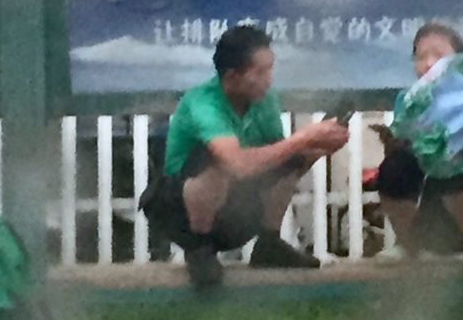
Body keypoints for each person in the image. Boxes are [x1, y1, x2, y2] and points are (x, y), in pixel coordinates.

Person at [142, 24, 351, 288]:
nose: (269, 79)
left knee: (292, 157)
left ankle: (269, 244)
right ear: (232, 77)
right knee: (219, 161)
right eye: (261, 72)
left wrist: (320, 145)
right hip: (179, 215)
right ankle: (199, 249)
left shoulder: (265, 100)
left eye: (270, 70)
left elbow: (276, 157)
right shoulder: (202, 103)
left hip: (235, 214)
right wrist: (303, 137)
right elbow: (237, 165)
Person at [372, 22, 463, 277]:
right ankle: (408, 244)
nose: (428, 63)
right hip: (427, 212)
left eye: (438, 56)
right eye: (421, 56)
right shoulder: (408, 99)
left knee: (448, 161)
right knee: (395, 166)